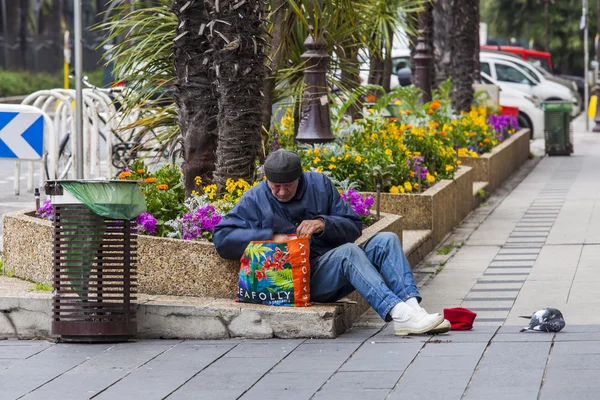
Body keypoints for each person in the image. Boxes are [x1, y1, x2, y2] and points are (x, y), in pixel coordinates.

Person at [213, 149, 450, 335]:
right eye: (276, 187)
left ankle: (413, 311)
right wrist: (269, 237)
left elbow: (353, 226)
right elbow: (222, 238)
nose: (282, 192)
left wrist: (322, 224)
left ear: (300, 178)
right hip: (301, 282)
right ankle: (399, 313)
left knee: (386, 240)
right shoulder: (254, 198)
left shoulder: (319, 184)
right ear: (267, 180)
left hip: (334, 268)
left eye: (289, 186)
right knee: (347, 252)